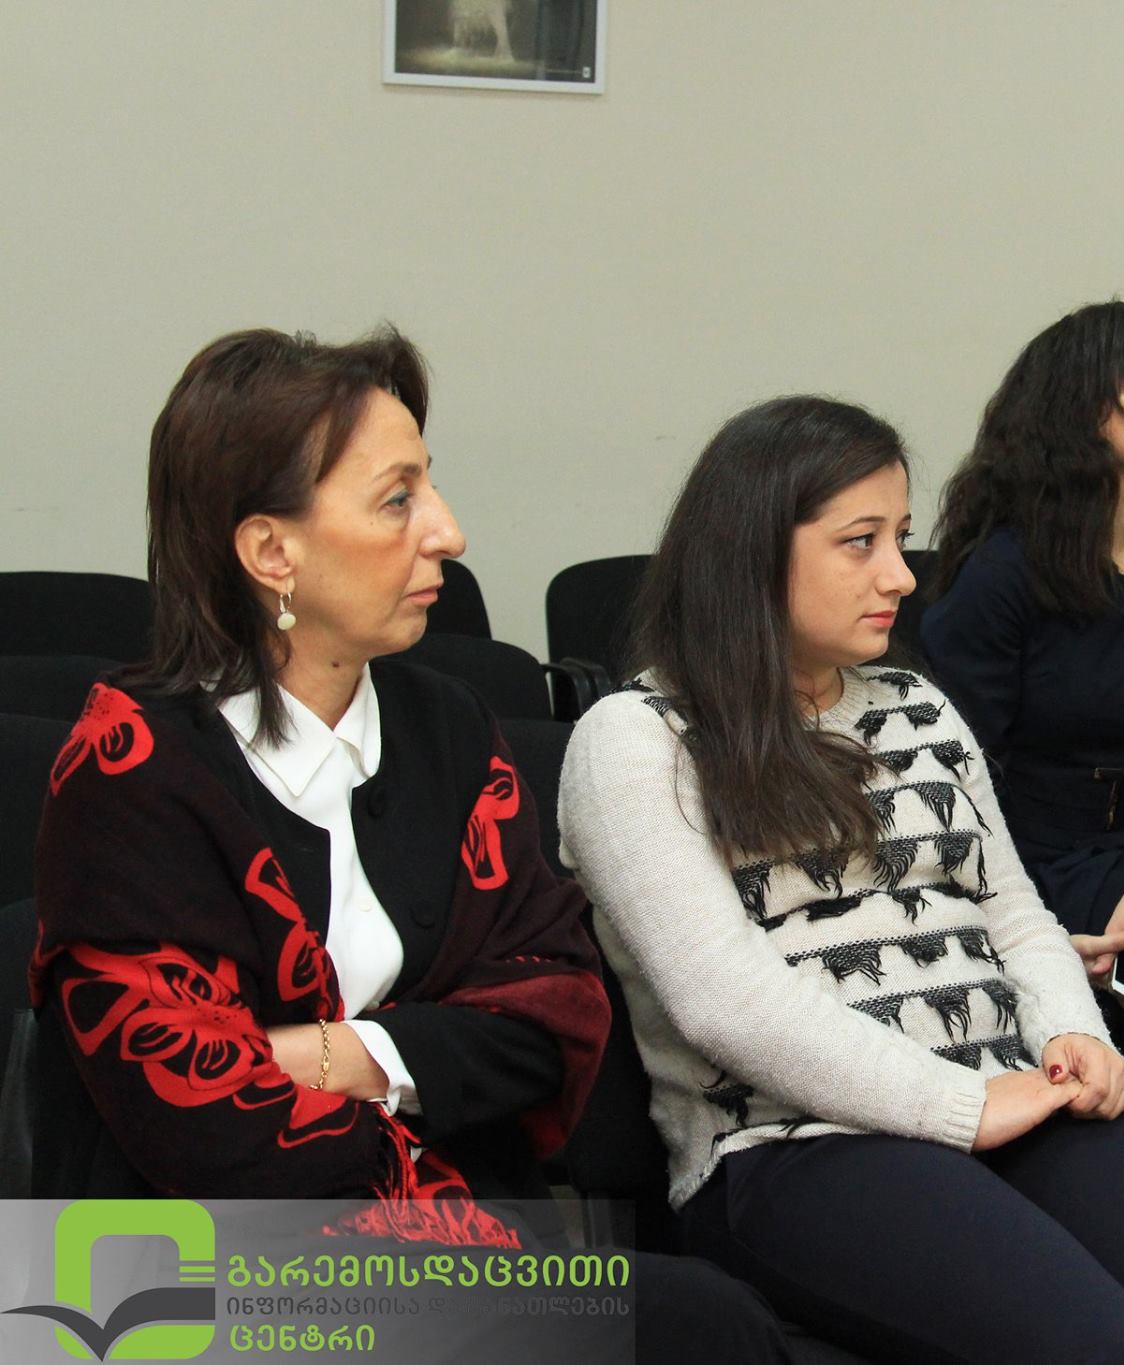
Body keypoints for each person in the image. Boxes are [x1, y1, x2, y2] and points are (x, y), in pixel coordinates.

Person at [29, 327, 787, 1362]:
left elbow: (555, 1004)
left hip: (445, 1244)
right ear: (271, 552)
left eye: (429, 486)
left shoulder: (448, 728)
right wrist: (432, 1061)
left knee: (708, 1322)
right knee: (688, 1326)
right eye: (397, 500)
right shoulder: (130, 765)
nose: (449, 531)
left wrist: (342, 1056)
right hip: (175, 1273)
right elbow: (200, 1116)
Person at [558, 396, 1124, 1365]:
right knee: (1099, 1348)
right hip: (792, 1142)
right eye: (859, 542)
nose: (901, 576)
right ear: (751, 552)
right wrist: (962, 1106)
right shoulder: (634, 739)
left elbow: (1014, 912)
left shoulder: (916, 704)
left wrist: (1071, 1036)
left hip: (1010, 1089)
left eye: (900, 537)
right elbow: (721, 1000)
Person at [921, 302, 1124, 980]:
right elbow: (960, 775)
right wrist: (1023, 927)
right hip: (1014, 861)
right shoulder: (1005, 572)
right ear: (1083, 409)